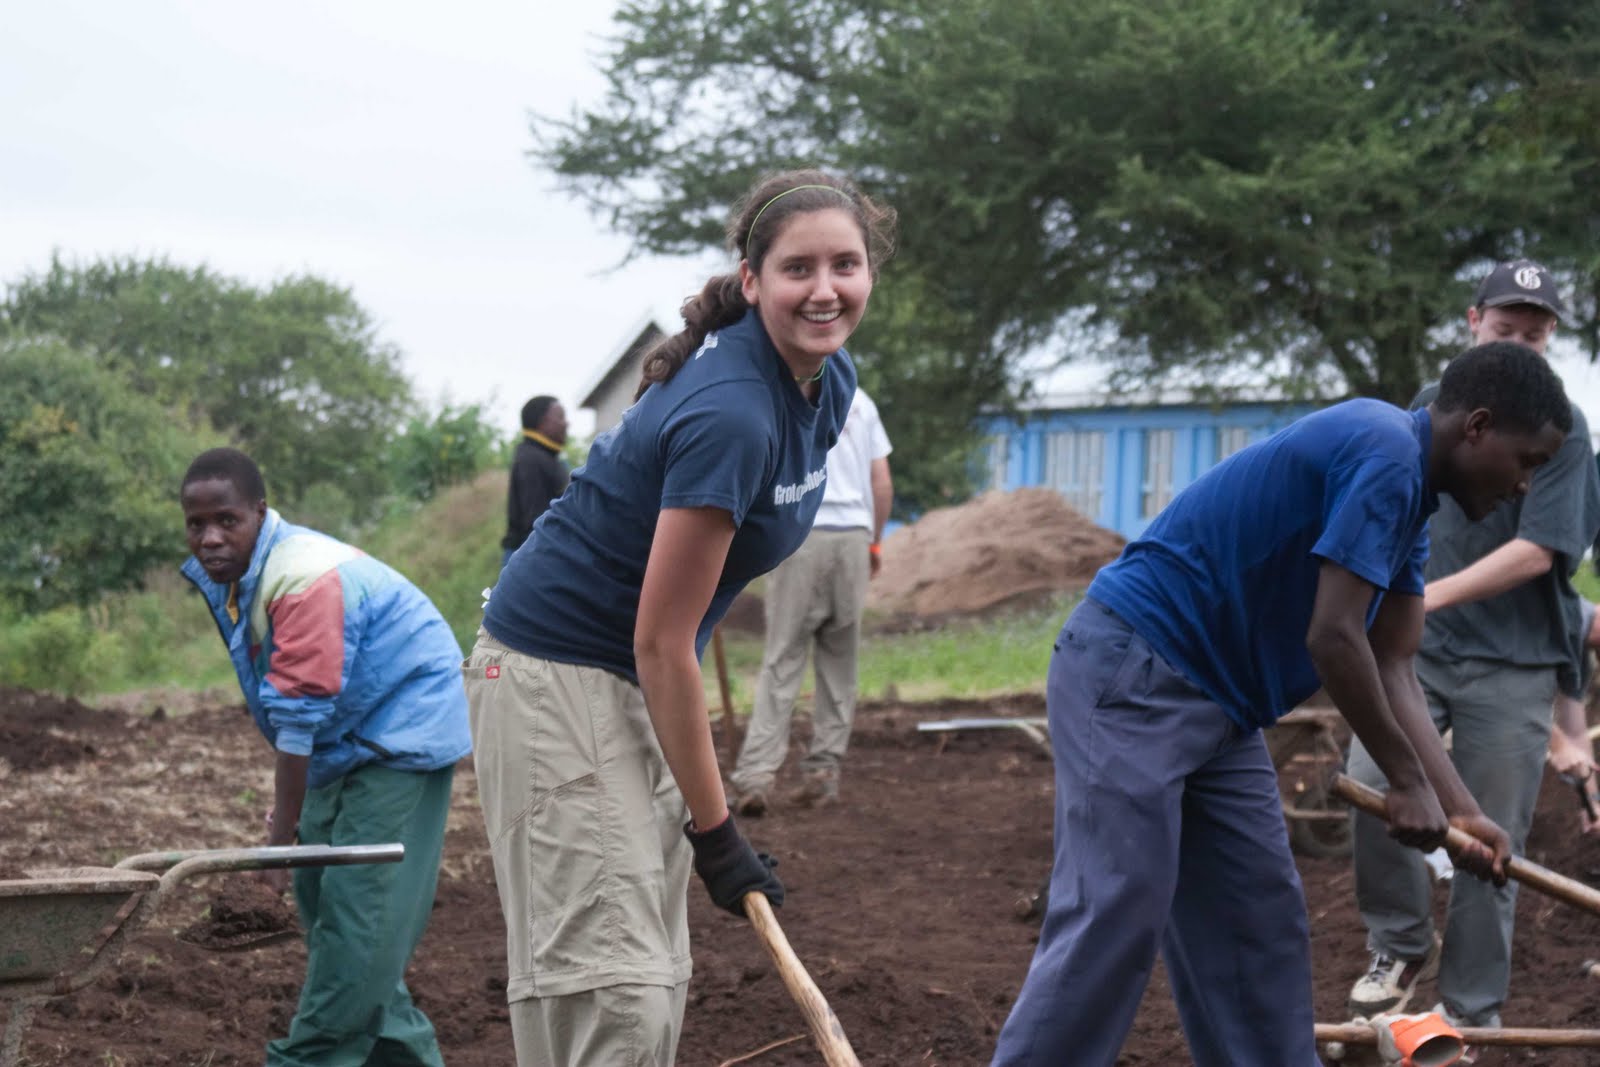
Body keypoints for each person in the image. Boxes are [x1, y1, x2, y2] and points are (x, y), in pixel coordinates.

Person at [990, 341, 1573, 1067]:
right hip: (1136, 672)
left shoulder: (1412, 505)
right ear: (1478, 426)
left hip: (1222, 709)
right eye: (1526, 461)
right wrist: (1406, 780)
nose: (1524, 486)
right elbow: (1333, 637)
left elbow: (1393, 662)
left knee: (1256, 917)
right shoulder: (1385, 450)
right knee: (1118, 904)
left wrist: (1458, 806)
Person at [464, 170, 896, 1067]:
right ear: (751, 279)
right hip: (558, 675)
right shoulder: (732, 414)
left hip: (633, 671)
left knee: (646, 969)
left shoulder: (830, 380)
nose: (825, 289)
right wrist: (718, 830)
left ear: (870, 271)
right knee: (610, 984)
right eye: (798, 268)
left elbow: (680, 617)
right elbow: (662, 640)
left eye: (845, 264)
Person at [1345, 261, 1600, 1031]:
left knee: (1490, 839)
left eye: (1534, 333)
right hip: (1416, 650)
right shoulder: (1432, 408)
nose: (1519, 345)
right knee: (1370, 780)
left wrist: (1425, 599)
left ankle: (1468, 1017)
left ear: (1551, 338)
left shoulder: (1567, 428)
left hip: (1513, 663)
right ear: (1472, 322)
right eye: (1504, 330)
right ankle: (1397, 941)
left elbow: (1539, 550)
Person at [178, 447, 471, 1067]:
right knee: (324, 906)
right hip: (347, 734)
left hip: (399, 734)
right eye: (195, 523)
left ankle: (304, 1058)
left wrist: (278, 845)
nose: (209, 538)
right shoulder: (244, 576)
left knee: (360, 917)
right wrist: (285, 842)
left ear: (259, 512)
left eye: (226, 520)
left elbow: (296, 711)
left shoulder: (304, 577)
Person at [728, 386, 893, 814]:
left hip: (803, 532)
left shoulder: (782, 393)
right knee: (840, 663)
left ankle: (756, 778)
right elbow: (881, 481)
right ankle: (823, 774)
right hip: (854, 537)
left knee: (783, 657)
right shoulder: (863, 403)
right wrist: (874, 543)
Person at [501, 394, 570, 567]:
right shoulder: (531, 459)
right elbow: (535, 520)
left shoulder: (545, 457)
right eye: (560, 417)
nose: (566, 423)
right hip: (531, 557)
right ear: (543, 422)